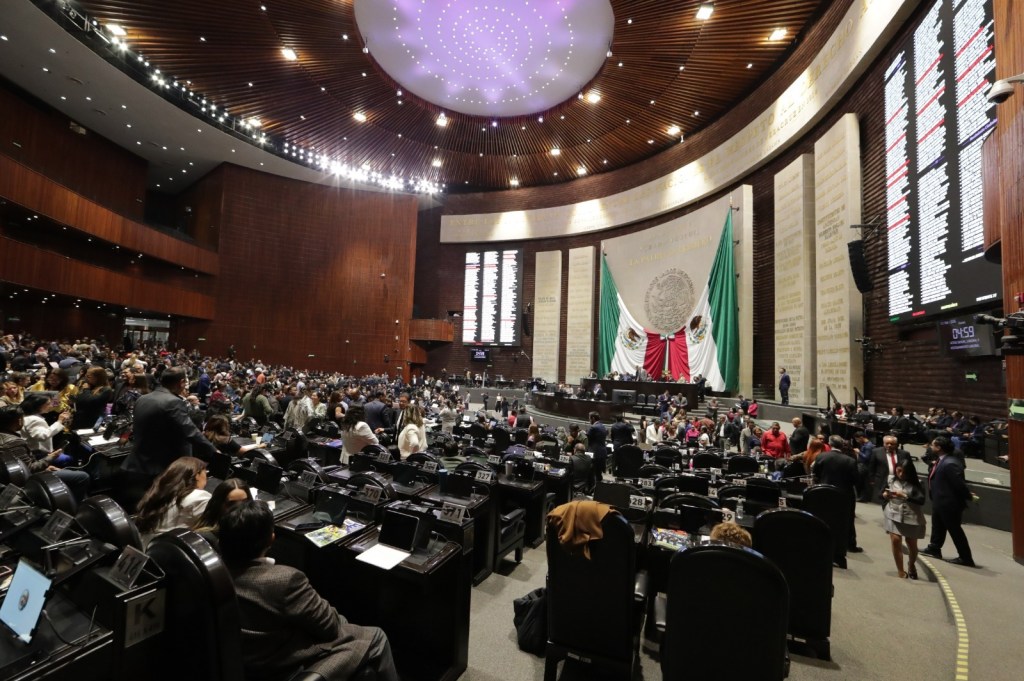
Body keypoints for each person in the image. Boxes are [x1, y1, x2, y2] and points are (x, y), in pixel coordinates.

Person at [218, 501, 400, 681]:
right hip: (281, 666)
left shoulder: (212, 574)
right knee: (377, 636)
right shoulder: (284, 580)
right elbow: (330, 628)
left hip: (241, 660)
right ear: (271, 539)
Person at [121, 367, 217, 511]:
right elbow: (190, 432)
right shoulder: (173, 402)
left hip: (139, 462)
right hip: (162, 466)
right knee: (162, 509)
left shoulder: (143, 398)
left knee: (144, 508)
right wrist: (214, 451)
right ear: (182, 382)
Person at [0, 406, 90, 502]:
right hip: (28, 479)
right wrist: (51, 457)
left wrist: (45, 467)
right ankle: (74, 506)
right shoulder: (13, 443)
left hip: (9, 477)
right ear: (19, 421)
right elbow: (30, 469)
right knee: (82, 476)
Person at [921, 437, 975, 567]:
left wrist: (968, 496)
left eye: (932, 445)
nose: (930, 448)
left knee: (955, 531)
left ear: (939, 448)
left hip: (949, 503)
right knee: (937, 526)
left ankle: (965, 557)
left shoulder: (951, 463)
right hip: (940, 501)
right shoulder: (942, 460)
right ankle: (934, 548)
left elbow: (959, 484)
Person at [134, 456, 211, 547]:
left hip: (147, 547)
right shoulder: (198, 497)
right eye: (205, 472)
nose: (206, 476)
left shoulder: (158, 493)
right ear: (197, 476)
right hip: (172, 551)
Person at [811, 437, 863, 554]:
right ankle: (850, 545)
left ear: (830, 444)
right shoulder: (850, 461)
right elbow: (856, 480)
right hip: (845, 494)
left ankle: (821, 541)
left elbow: (816, 474)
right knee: (848, 520)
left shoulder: (821, 456)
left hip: (824, 492)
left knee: (824, 517)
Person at [882, 462, 926, 579]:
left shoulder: (917, 483)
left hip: (911, 517)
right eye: (899, 471)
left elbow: (921, 500)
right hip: (893, 514)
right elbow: (880, 493)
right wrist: (885, 495)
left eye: (904, 472)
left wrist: (905, 496)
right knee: (895, 540)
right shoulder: (890, 480)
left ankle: (911, 565)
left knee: (912, 545)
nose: (901, 474)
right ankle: (900, 570)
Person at [192, 478, 252, 546]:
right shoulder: (205, 538)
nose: (239, 508)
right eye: (231, 504)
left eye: (245, 502)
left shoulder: (251, 529)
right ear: (218, 506)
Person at [869, 435, 913, 503]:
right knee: (883, 499)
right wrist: (872, 479)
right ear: (883, 443)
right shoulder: (876, 452)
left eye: (892, 444)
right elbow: (872, 466)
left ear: (896, 444)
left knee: (897, 499)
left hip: (898, 480)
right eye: (887, 443)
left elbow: (910, 468)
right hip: (882, 479)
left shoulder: (904, 454)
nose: (889, 445)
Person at [70, 366, 113, 430]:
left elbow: (89, 401)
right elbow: (79, 400)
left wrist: (86, 389)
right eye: (86, 375)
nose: (86, 378)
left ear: (98, 378)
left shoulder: (106, 390)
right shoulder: (87, 385)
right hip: (78, 418)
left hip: (91, 421)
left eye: (89, 377)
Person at [586, 411, 608, 484]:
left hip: (595, 453)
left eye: (589, 418)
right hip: (602, 452)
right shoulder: (602, 426)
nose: (589, 420)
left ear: (593, 418)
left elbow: (587, 438)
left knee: (593, 473)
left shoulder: (593, 427)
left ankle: (594, 491)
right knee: (598, 473)